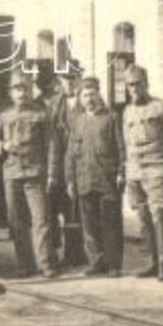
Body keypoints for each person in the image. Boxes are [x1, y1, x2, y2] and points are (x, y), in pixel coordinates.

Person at [0, 66, 59, 278]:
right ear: (10, 92)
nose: (21, 93)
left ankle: (46, 264)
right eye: (17, 89)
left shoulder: (41, 114)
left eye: (25, 88)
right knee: (17, 222)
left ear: (31, 90)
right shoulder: (4, 116)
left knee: (41, 220)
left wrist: (51, 173)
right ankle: (25, 264)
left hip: (35, 173)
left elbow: (51, 144)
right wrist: (2, 146)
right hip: (12, 174)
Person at [121, 65, 163, 280]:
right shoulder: (127, 111)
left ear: (146, 84)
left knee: (158, 217)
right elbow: (126, 142)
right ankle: (151, 262)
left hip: (157, 167)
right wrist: (125, 170)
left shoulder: (161, 107)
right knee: (142, 218)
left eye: (137, 83)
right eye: (130, 85)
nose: (133, 88)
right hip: (134, 170)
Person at [64, 75, 124, 276]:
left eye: (92, 94)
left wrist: (121, 171)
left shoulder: (111, 117)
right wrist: (70, 180)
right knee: (89, 225)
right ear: (80, 98)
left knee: (110, 222)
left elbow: (121, 147)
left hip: (107, 178)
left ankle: (113, 264)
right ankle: (96, 261)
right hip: (84, 178)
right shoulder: (77, 121)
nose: (89, 99)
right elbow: (71, 153)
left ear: (99, 95)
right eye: (84, 95)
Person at [41, 57, 85, 267]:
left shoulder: (88, 100)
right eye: (66, 79)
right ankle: (53, 253)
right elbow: (51, 139)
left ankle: (74, 254)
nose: (70, 83)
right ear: (60, 80)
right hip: (57, 164)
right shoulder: (52, 105)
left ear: (80, 78)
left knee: (74, 210)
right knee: (51, 210)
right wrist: (51, 171)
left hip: (80, 163)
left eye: (74, 78)